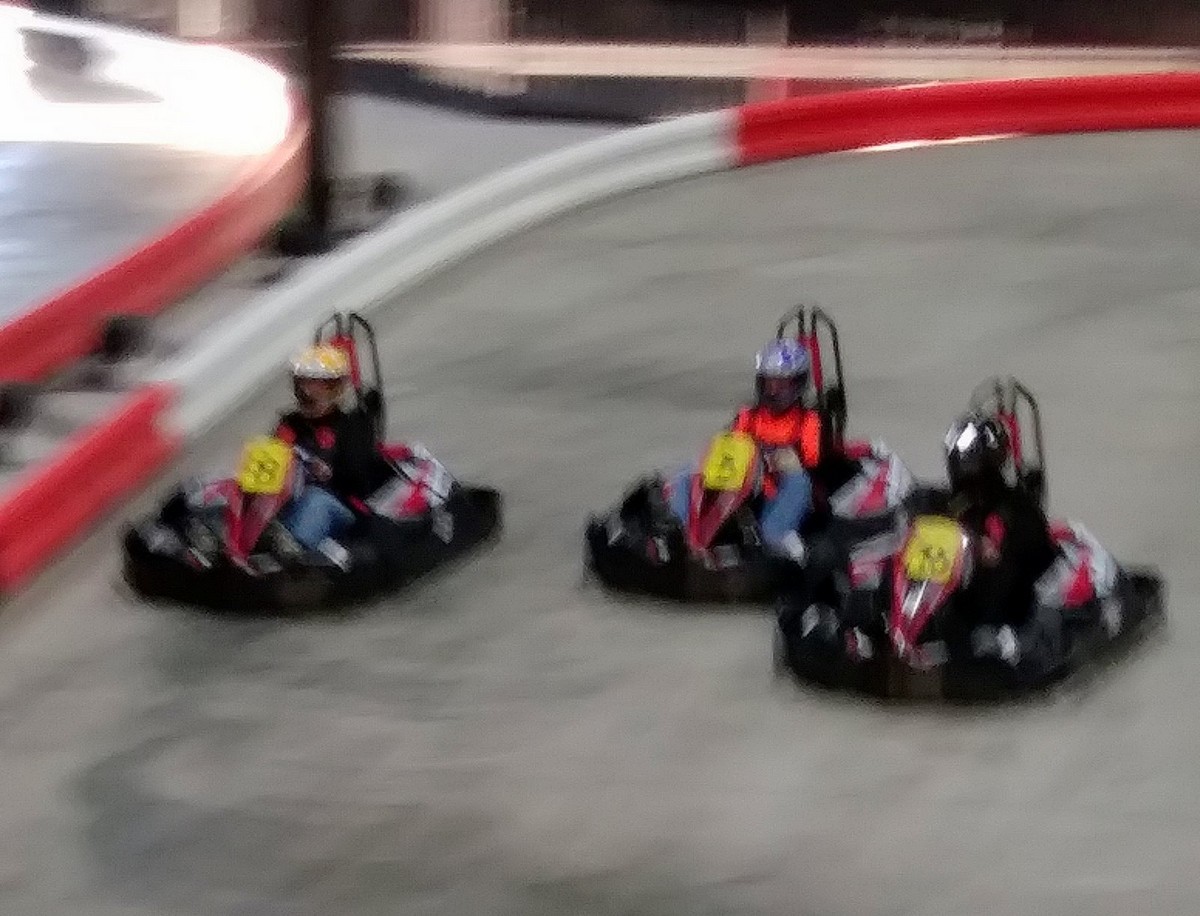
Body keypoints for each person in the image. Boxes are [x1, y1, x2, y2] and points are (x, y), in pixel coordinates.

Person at [666, 338, 822, 564]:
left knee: (797, 482)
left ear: (797, 385)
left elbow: (811, 458)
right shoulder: (748, 415)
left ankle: (787, 547)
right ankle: (684, 527)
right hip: (746, 477)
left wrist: (780, 456)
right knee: (688, 471)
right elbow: (733, 443)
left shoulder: (808, 420)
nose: (773, 391)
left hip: (781, 481)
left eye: (781, 385)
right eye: (769, 383)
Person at [941, 413, 1060, 654]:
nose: (965, 472)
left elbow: (1017, 548)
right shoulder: (955, 505)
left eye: (970, 465)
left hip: (1010, 601)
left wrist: (985, 549)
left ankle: (997, 643)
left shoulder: (1013, 508)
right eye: (960, 464)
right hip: (965, 595)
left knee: (997, 575)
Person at [271, 344, 394, 552]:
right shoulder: (289, 425)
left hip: (340, 505)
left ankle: (293, 550)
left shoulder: (352, 425)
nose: (305, 391)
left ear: (335, 388)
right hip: (288, 501)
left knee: (316, 500)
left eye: (316, 384)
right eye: (301, 383)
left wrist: (328, 472)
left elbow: (359, 477)